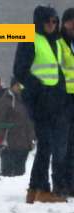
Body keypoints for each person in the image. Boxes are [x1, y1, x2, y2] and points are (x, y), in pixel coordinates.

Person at [14, 6, 69, 203]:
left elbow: (56, 70)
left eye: (55, 22)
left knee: (47, 146)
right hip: (38, 100)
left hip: (55, 100)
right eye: (48, 22)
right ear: (39, 22)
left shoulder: (53, 40)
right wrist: (39, 88)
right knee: (46, 144)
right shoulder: (29, 38)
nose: (52, 25)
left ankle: (34, 189)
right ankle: (42, 189)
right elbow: (20, 71)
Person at [0, 78, 36, 176]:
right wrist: (1, 139)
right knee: (8, 173)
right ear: (12, 86)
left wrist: (32, 137)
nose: (19, 87)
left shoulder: (26, 99)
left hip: (25, 141)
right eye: (17, 85)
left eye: (20, 85)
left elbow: (30, 120)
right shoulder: (5, 101)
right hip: (9, 142)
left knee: (20, 172)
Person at [61, 9, 74, 194]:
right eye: (70, 21)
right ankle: (65, 182)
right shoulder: (58, 42)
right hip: (62, 99)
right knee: (64, 144)